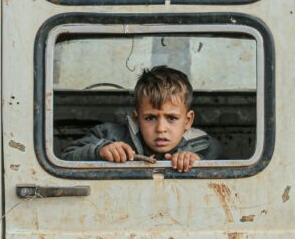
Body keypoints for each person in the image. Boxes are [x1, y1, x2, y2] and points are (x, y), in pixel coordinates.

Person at [62, 65, 221, 172]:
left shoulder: (201, 144)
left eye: (171, 118)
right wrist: (100, 150)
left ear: (187, 121)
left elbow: (225, 163)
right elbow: (66, 157)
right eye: (151, 118)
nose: (161, 128)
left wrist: (197, 160)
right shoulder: (110, 134)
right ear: (136, 118)